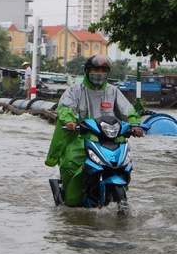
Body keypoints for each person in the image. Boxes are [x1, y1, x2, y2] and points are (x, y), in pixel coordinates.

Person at [45, 54, 144, 207]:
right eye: (95, 70)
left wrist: (135, 125)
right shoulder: (75, 90)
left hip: (109, 140)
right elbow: (65, 108)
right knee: (71, 165)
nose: (99, 74)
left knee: (124, 164)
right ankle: (70, 199)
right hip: (81, 138)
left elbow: (128, 111)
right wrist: (70, 121)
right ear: (87, 71)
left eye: (102, 70)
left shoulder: (113, 91)